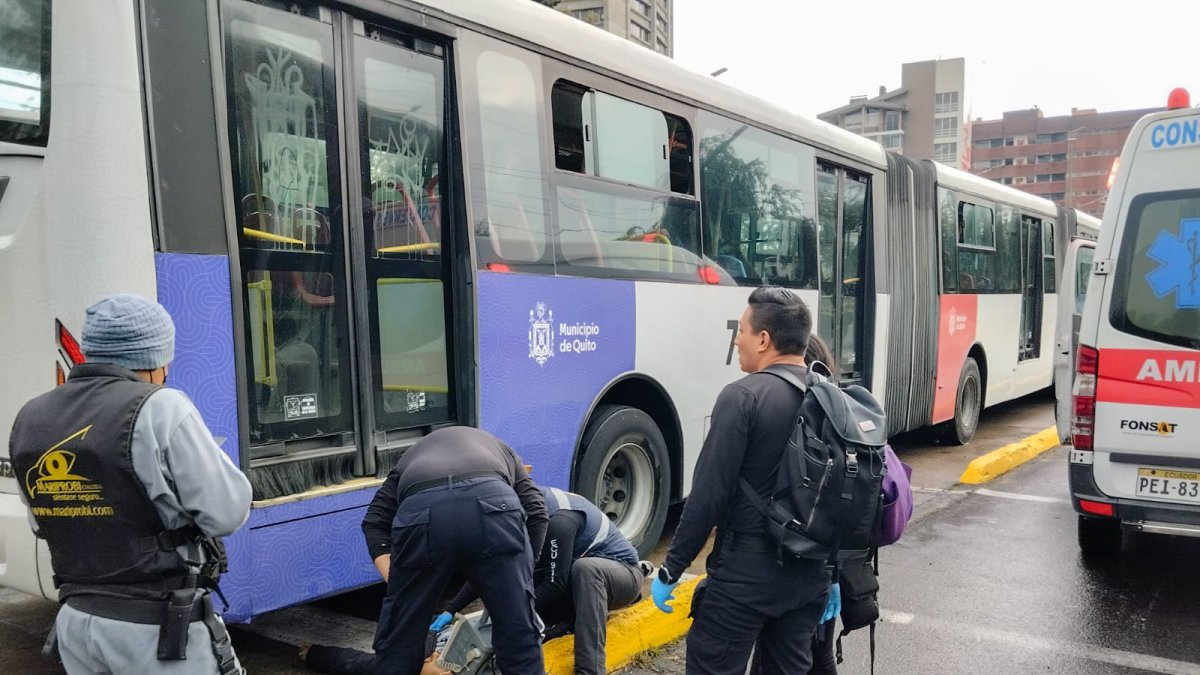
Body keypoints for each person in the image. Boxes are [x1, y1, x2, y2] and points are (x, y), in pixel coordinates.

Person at [8, 293, 252, 674]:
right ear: (155, 358)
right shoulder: (161, 406)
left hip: (77, 622)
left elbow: (42, 522)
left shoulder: (31, 415)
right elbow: (228, 512)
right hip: (156, 629)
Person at [651, 287, 833, 675]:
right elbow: (845, 497)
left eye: (742, 330)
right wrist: (835, 575)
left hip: (745, 578)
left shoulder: (742, 396)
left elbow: (707, 496)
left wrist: (672, 568)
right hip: (809, 577)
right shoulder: (832, 398)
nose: (737, 339)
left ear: (764, 339)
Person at [306, 486, 650, 675]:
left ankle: (589, 670)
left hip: (618, 576)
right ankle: (565, 624)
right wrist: (452, 610)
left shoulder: (557, 520)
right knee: (520, 593)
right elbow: (492, 570)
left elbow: (556, 585)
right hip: (574, 585)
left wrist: (507, 609)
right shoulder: (519, 522)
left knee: (582, 571)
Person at [358, 426, 548, 675]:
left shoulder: (410, 457)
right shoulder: (504, 452)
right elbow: (536, 510)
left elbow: (373, 523)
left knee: (399, 642)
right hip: (494, 506)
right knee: (519, 639)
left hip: (422, 512)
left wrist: (398, 584)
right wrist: (519, 579)